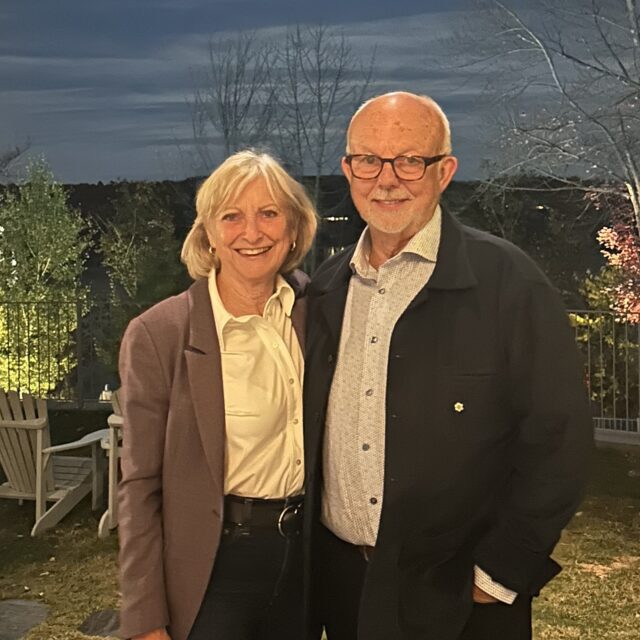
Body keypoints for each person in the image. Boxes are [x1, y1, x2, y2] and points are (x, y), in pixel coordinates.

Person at [302, 92, 592, 640]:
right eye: (368, 160)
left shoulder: (508, 283)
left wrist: (500, 573)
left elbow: (561, 443)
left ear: (445, 172)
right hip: (343, 590)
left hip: (461, 600)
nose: (387, 179)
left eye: (410, 160)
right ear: (347, 169)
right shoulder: (326, 288)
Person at [117, 149, 317, 640]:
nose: (252, 232)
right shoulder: (159, 334)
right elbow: (139, 486)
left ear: (293, 229)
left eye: (269, 213)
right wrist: (144, 616)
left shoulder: (317, 311)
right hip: (212, 567)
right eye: (232, 216)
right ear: (207, 232)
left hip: (306, 563)